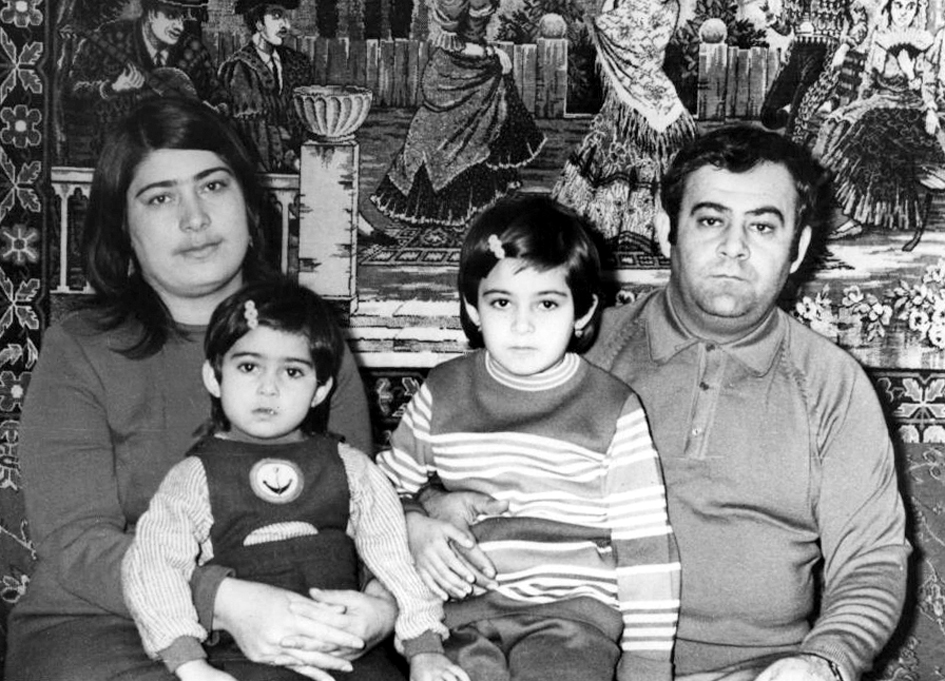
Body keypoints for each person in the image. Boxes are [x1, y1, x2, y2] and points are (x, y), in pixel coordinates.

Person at [410, 126, 910, 681]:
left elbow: (871, 561)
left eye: (763, 226)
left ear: (798, 248)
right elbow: (426, 459)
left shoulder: (834, 384)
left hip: (759, 672)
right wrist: (419, 513)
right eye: (711, 220)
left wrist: (823, 661)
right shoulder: (575, 350)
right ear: (665, 227)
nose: (735, 246)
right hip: (572, 658)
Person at [5, 97, 396, 681]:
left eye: (213, 186)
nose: (195, 218)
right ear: (123, 228)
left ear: (249, 205)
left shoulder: (314, 343)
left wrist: (384, 605)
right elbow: (76, 543)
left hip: (302, 614)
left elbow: (362, 513)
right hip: (105, 626)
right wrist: (226, 600)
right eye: (160, 198)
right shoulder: (79, 350)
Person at [377, 196, 680, 681]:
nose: (522, 325)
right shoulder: (443, 391)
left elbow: (646, 549)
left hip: (571, 623)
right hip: (459, 620)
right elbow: (376, 495)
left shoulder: (613, 408)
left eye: (547, 303)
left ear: (583, 312)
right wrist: (415, 519)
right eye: (501, 302)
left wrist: (646, 668)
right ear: (472, 308)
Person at [122, 280, 465, 681]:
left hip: (351, 654)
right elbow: (153, 564)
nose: (268, 388)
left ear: (320, 390)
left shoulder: (352, 468)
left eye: (292, 371)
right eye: (248, 367)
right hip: (243, 660)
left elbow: (395, 560)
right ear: (215, 377)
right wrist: (190, 664)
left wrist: (424, 650)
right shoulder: (194, 477)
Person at [370, 0, 546, 242]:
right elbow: (452, 46)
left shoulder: (472, 35)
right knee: (440, 145)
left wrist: (491, 55)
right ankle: (441, 220)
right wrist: (492, 55)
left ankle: (470, 218)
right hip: (455, 84)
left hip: (475, 82)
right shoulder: (458, 17)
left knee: (476, 141)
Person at [552, 0, 697, 253]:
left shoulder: (663, 8)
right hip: (628, 101)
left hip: (651, 89)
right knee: (614, 144)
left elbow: (632, 31)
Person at [813, 0, 943, 239]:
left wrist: (910, 73)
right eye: (898, 6)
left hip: (910, 110)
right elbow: (867, 82)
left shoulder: (924, 41)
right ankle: (823, 203)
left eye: (910, 7)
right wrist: (852, 108)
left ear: (917, 10)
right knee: (835, 124)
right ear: (889, 9)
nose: (903, 13)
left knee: (870, 128)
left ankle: (856, 217)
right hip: (878, 102)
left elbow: (929, 87)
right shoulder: (880, 39)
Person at [64, 0, 229, 165]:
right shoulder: (108, 38)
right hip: (115, 160)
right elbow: (70, 89)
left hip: (177, 160)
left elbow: (220, 95)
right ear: (151, 13)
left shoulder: (193, 50)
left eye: (183, 18)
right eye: (171, 16)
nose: (180, 26)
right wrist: (111, 88)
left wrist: (218, 109)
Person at [218, 0, 312, 173]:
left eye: (286, 17)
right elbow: (255, 134)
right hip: (264, 171)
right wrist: (294, 161)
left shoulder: (297, 62)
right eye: (277, 16)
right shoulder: (241, 68)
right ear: (258, 23)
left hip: (304, 163)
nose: (286, 25)